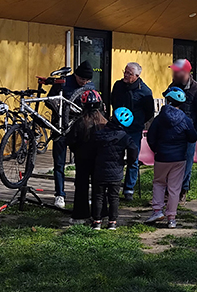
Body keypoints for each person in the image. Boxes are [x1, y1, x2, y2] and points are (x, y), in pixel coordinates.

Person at [146, 87, 197, 228]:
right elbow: (193, 137)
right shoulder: (185, 119)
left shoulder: (159, 118)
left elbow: (150, 136)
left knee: (159, 183)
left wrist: (156, 149)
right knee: (175, 188)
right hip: (179, 158)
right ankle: (171, 218)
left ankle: (157, 211)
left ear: (168, 100)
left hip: (162, 157)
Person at [48, 60, 96, 210]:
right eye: (82, 79)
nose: (84, 83)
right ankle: (60, 194)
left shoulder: (90, 86)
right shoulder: (62, 82)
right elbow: (49, 100)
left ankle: (81, 194)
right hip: (61, 126)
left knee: (83, 162)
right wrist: (59, 108)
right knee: (59, 162)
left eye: (87, 80)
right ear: (75, 75)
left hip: (80, 129)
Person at [110, 62, 155, 201]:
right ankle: (113, 186)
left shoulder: (145, 92)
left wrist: (137, 121)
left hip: (134, 129)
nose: (125, 75)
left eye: (129, 73)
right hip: (117, 127)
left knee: (133, 159)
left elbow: (149, 112)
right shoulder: (118, 86)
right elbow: (113, 101)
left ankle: (129, 188)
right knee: (114, 157)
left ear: (137, 76)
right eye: (125, 71)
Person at [88, 107, 138, 230]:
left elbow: (91, 150)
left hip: (99, 170)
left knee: (98, 196)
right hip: (116, 171)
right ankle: (112, 222)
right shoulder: (125, 137)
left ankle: (97, 221)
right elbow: (134, 150)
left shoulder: (98, 134)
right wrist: (129, 162)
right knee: (114, 197)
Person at [169, 59, 197, 201]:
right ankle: (171, 189)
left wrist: (195, 134)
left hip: (188, 133)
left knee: (187, 162)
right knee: (172, 161)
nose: (173, 72)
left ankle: (183, 190)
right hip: (172, 133)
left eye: (176, 70)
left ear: (185, 72)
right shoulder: (173, 85)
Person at [64, 89, 106, 225]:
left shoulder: (80, 122)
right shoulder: (104, 122)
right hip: (99, 159)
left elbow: (70, 140)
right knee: (99, 188)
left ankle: (80, 215)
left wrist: (75, 149)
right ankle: (100, 214)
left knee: (81, 186)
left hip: (82, 159)